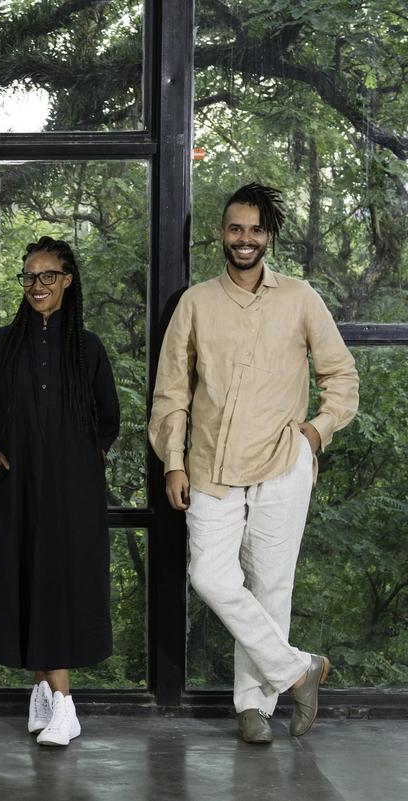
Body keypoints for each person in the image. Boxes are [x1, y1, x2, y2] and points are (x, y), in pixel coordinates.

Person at [149, 183, 359, 743]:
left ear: (270, 236)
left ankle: (254, 709)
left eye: (255, 229)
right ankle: (299, 669)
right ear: (222, 232)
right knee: (210, 576)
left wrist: (315, 434)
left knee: (271, 587)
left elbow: (341, 377)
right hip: (209, 466)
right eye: (235, 228)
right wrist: (173, 461)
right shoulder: (195, 302)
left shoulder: (300, 298)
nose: (245, 239)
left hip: (280, 462)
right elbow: (171, 392)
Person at [0, 236, 120, 747]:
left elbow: (108, 422)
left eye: (48, 276)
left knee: (60, 589)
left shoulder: (88, 349)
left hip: (73, 499)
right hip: (16, 492)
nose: (37, 285)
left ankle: (63, 705)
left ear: (68, 280)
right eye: (29, 276)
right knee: (26, 584)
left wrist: (73, 465)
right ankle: (45, 695)